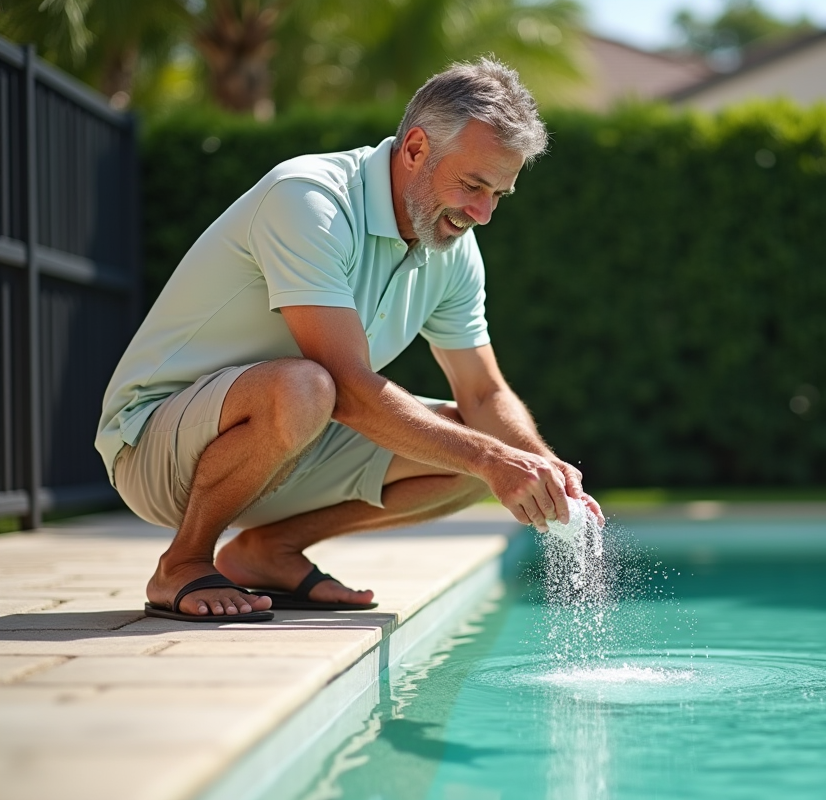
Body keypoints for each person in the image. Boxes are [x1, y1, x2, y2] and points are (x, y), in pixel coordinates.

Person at [95, 58, 603, 623]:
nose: (483, 214)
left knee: (475, 449)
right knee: (311, 386)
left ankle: (269, 551)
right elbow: (350, 390)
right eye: (473, 185)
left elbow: (484, 393)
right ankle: (182, 563)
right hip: (152, 447)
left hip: (290, 443)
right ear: (414, 149)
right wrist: (495, 459)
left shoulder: (452, 249)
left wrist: (543, 469)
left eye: (499, 195)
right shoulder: (309, 200)